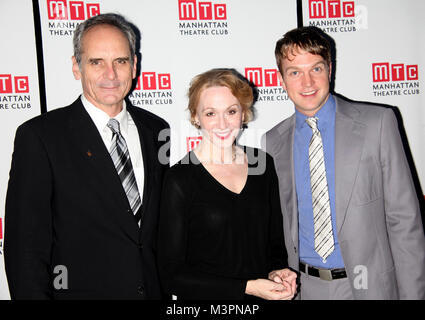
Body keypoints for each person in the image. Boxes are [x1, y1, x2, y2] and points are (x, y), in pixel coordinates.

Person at [4, 13, 169, 299]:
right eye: (97, 62)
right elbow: (24, 248)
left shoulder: (156, 129)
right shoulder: (40, 137)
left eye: (120, 61)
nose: (111, 74)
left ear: (134, 65)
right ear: (76, 66)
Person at [262, 26, 425, 299]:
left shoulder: (378, 123)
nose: (307, 83)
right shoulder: (272, 142)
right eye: (294, 72)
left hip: (369, 287)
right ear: (281, 80)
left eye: (315, 69)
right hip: (303, 289)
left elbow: (404, 221)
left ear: (330, 68)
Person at [157, 68, 297, 300]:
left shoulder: (262, 164)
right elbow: (171, 276)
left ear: (243, 114)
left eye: (231, 111)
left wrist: (277, 272)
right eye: (210, 113)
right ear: (195, 116)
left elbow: (275, 245)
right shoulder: (179, 178)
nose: (222, 123)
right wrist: (247, 287)